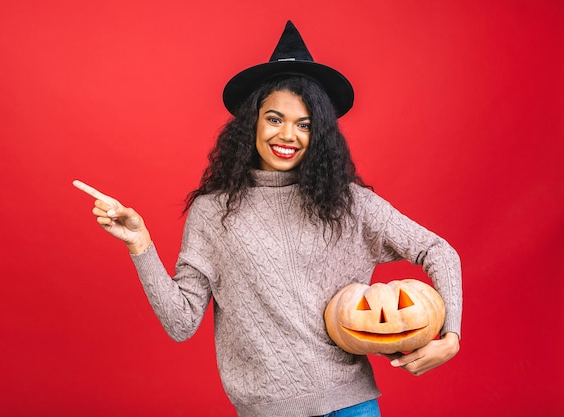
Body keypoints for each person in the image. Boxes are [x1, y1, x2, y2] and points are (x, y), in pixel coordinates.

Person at [73, 21, 462, 417]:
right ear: (252, 123)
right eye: (275, 119)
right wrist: (140, 244)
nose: (288, 135)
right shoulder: (214, 212)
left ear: (320, 135)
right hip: (267, 410)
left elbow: (438, 250)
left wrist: (451, 335)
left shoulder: (348, 203)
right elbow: (181, 323)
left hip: (352, 406)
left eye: (305, 124)